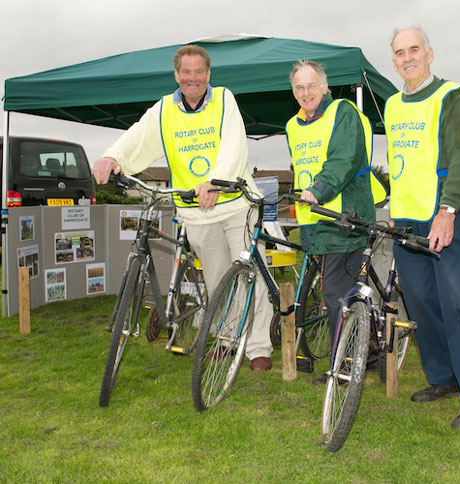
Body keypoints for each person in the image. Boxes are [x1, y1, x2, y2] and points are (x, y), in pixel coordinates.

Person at [93, 45, 273, 371]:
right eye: (186, 72)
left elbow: (234, 144)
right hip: (196, 212)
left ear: (208, 73)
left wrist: (217, 181)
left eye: (198, 72)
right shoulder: (164, 109)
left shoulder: (223, 99)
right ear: (177, 75)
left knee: (252, 276)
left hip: (235, 205)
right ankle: (226, 339)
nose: (192, 78)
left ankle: (259, 347)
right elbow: (139, 137)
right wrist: (112, 156)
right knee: (217, 280)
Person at [385, 26, 460, 429]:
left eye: (414, 49)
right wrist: (396, 210)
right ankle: (445, 378)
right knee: (423, 306)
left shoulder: (450, 96)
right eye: (400, 52)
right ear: (394, 60)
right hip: (408, 221)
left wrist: (447, 210)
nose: (408, 57)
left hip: (447, 214)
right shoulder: (393, 106)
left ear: (429, 54)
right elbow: (401, 164)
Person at [286, 60, 381, 382]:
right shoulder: (293, 126)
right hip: (315, 220)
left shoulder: (343, 112)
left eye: (312, 85)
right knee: (341, 293)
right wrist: (300, 199)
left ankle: (345, 366)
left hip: (345, 217)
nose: (306, 92)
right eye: (299, 87)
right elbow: (302, 167)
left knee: (337, 295)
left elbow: (343, 159)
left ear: (324, 86)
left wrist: (317, 190)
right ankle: (361, 352)